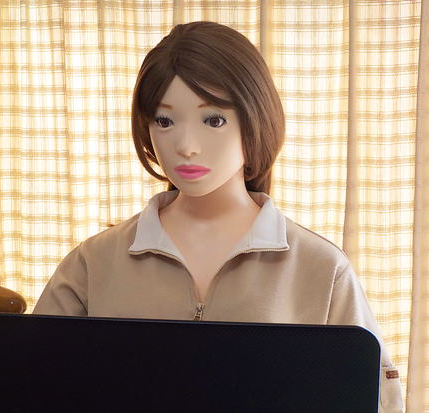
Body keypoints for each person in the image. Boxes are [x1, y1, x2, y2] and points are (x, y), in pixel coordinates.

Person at [34, 21, 404, 412]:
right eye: (164, 121)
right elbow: (30, 385)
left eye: (214, 120)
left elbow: (379, 401)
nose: (186, 146)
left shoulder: (322, 270)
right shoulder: (93, 264)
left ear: (255, 118)